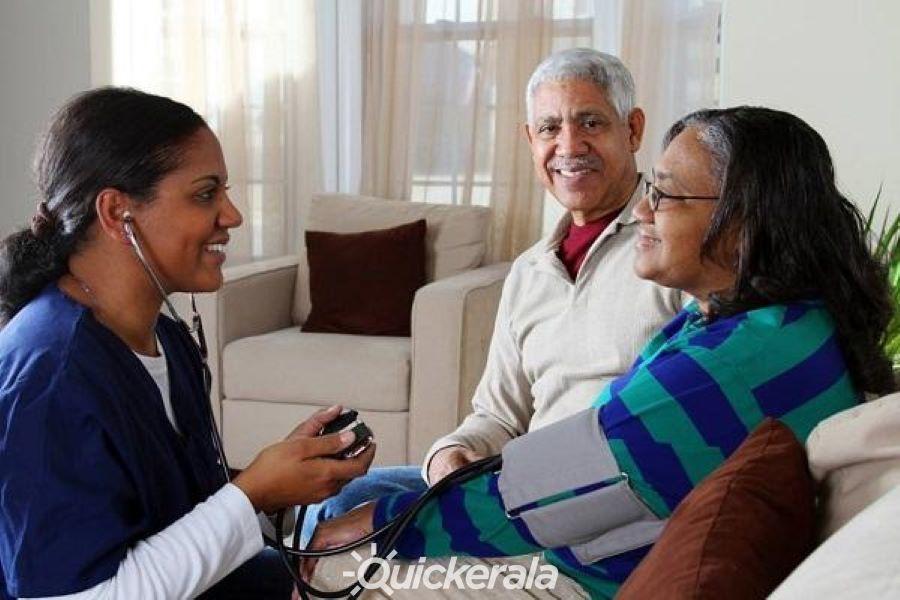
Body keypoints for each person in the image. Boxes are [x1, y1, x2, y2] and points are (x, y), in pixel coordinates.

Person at [304, 106, 894, 599]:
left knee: (336, 561)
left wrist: (382, 527)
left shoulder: (728, 362)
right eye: (548, 128)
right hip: (568, 506)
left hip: (582, 566)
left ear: (743, 222)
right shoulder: (775, 321)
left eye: (664, 194)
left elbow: (550, 493)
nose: (643, 210)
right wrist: (448, 459)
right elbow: (514, 428)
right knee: (357, 501)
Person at [0, 87, 375, 599]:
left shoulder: (167, 339)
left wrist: (281, 486)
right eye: (205, 194)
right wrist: (252, 493)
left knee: (391, 523)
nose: (233, 216)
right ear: (116, 212)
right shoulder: (51, 378)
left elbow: (182, 522)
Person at [299, 47, 683, 544]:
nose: (569, 145)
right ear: (530, 140)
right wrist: (450, 454)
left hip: (606, 494)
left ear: (632, 129)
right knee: (339, 499)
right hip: (517, 482)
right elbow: (498, 415)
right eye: (549, 128)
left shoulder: (674, 247)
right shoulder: (530, 271)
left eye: (591, 122)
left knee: (362, 524)